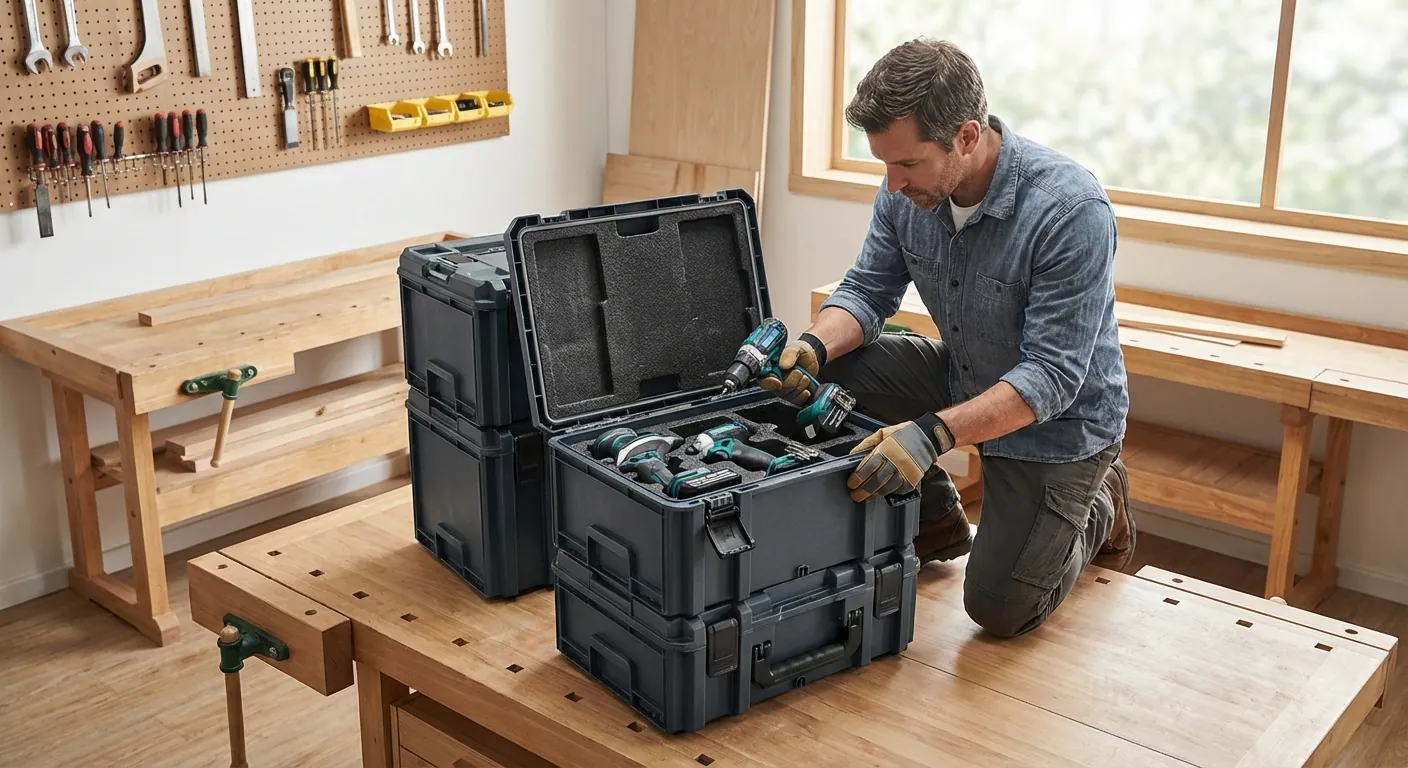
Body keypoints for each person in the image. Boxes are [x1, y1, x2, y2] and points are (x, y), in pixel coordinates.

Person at [763, 38, 1132, 638]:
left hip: (1058, 427)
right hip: (965, 375)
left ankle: (1098, 501)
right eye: (884, 164)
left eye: (906, 165)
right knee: (825, 377)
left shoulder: (1070, 210)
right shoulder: (910, 194)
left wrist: (930, 434)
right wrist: (811, 347)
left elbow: (1051, 377)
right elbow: (866, 292)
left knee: (999, 609)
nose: (891, 185)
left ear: (966, 136)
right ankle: (934, 521)